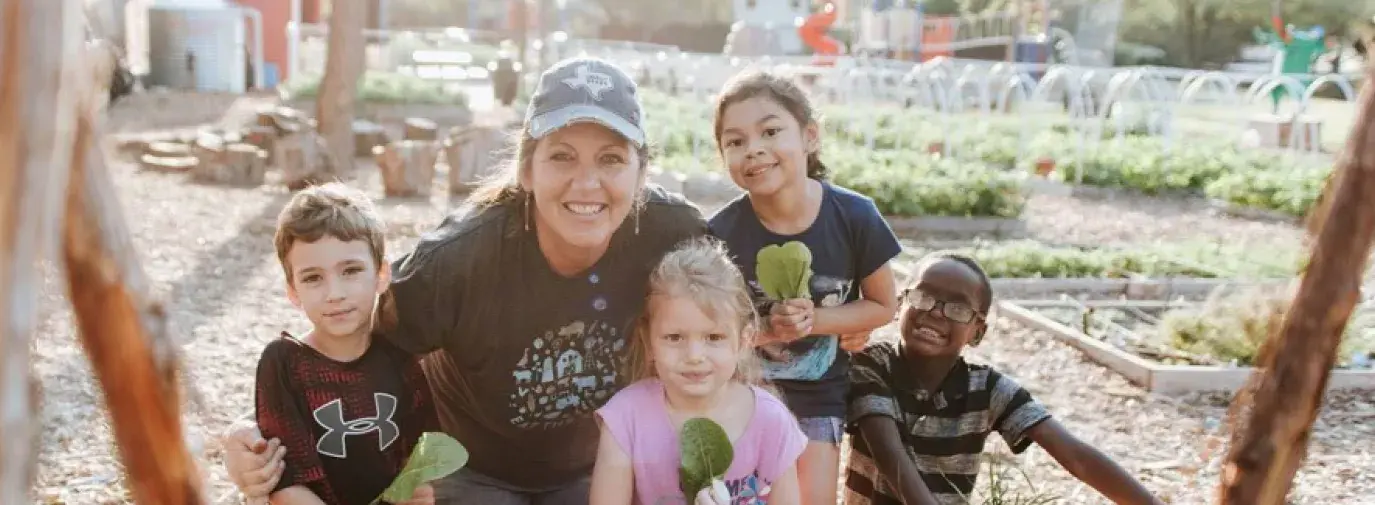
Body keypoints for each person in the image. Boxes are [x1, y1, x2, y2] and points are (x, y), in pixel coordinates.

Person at [222, 56, 710, 504]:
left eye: (611, 159)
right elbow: (344, 348)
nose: (587, 182)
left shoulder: (672, 233)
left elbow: (742, 316)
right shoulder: (450, 265)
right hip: (467, 472)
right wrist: (256, 433)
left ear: (641, 172)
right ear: (526, 169)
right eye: (562, 156)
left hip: (597, 467)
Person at [707, 69, 901, 505]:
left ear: (810, 136)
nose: (753, 148)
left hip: (818, 396)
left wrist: (816, 320)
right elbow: (710, 327)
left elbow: (882, 304)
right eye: (735, 141)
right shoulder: (719, 234)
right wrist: (765, 327)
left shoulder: (855, 217)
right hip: (740, 394)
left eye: (771, 131)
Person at [845, 252, 1165, 505]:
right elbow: (890, 455)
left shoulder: (986, 389)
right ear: (901, 303)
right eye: (923, 297)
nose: (936, 312)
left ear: (978, 332)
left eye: (957, 308)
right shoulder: (873, 365)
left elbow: (1074, 455)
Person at [255, 183, 438, 505]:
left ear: (381, 275)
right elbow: (285, 483)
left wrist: (416, 491)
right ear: (293, 291)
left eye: (350, 270)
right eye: (313, 277)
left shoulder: (398, 356)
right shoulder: (283, 363)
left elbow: (421, 449)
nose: (334, 293)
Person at [589, 238, 807, 505]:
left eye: (714, 337)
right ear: (648, 341)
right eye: (674, 337)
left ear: (744, 341)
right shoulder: (625, 419)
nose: (694, 356)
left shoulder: (772, 422)